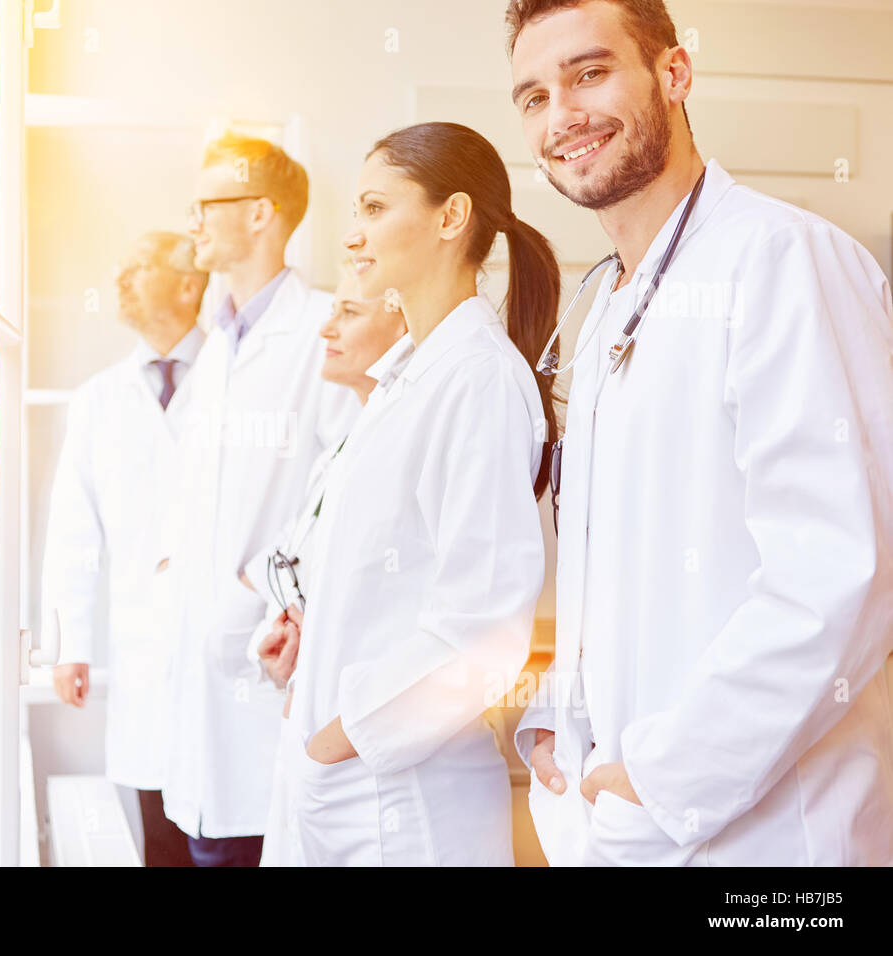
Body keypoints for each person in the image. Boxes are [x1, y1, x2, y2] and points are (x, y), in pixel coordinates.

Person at [506, 0, 893, 865]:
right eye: (532, 97)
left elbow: (841, 572)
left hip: (763, 850)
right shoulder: (606, 304)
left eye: (589, 73)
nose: (560, 116)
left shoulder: (784, 259)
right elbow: (609, 560)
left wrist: (665, 776)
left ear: (674, 75)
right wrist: (554, 721)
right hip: (609, 814)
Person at [285, 121, 558, 866]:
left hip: (400, 804)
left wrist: (341, 737)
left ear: (450, 216)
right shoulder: (410, 378)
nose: (352, 237)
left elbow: (484, 627)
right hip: (353, 787)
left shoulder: (477, 380)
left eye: (374, 209)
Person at [161, 132, 359, 866]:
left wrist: (261, 589)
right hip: (201, 667)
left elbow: (346, 482)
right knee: (206, 834)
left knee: (254, 837)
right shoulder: (217, 344)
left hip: (267, 656)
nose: (194, 222)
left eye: (208, 205)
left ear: (261, 216)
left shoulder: (325, 329)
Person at [41, 231, 208, 867]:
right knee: (163, 837)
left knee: (239, 831)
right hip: (145, 648)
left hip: (234, 650)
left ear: (189, 284)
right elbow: (73, 531)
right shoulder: (98, 401)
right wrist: (70, 644)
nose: (119, 278)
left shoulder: (235, 383)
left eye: (138, 268)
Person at [239, 266, 410, 866]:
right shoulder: (343, 446)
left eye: (349, 313)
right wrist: (284, 631)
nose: (325, 329)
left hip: (361, 752)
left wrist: (328, 741)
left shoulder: (400, 443)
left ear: (402, 323)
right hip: (314, 727)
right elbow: (295, 559)